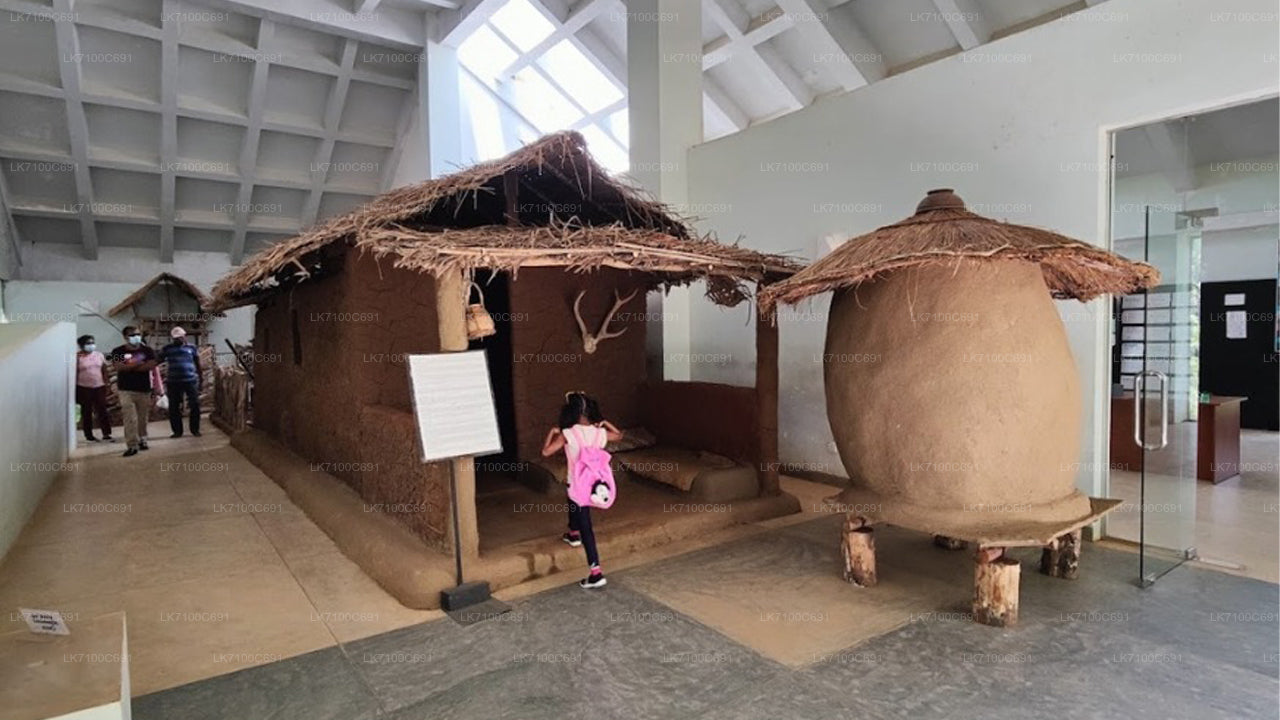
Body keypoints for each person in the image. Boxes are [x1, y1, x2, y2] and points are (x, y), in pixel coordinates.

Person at [540, 392, 623, 589]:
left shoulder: (568, 433)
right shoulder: (599, 432)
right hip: (595, 483)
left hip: (577, 484)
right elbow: (619, 436)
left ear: (571, 411)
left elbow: (546, 452)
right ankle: (573, 533)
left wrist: (552, 433)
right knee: (574, 505)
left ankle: (596, 572)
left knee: (586, 524)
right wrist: (605, 423)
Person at [109, 326, 157, 457]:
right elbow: (119, 367)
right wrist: (139, 363)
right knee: (130, 418)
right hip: (126, 389)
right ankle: (132, 445)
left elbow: (151, 365)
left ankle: (143, 439)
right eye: (132, 335)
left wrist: (129, 366)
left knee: (142, 417)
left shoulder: (147, 350)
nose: (136, 337)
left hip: (144, 389)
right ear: (125, 337)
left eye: (137, 334)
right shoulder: (118, 351)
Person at [159, 326, 202, 438]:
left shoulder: (192, 348)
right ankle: (177, 431)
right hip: (173, 381)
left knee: (195, 405)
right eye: (176, 338)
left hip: (190, 380)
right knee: (174, 406)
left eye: (180, 338)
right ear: (173, 338)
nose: (178, 340)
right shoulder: (167, 349)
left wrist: (201, 379)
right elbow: (158, 360)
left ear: (184, 337)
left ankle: (195, 429)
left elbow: (198, 364)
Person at [74, 335, 112, 443]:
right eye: (88, 343)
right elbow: (74, 373)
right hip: (84, 388)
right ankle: (89, 435)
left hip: (99, 386)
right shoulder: (77, 357)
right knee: (86, 411)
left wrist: (107, 383)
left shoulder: (99, 355)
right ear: (81, 346)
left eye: (92, 343)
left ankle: (106, 433)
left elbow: (104, 370)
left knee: (102, 410)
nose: (91, 345)